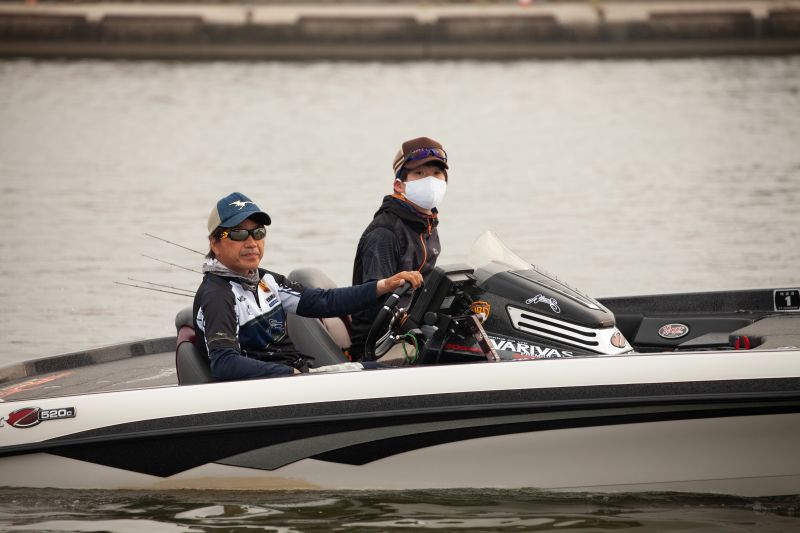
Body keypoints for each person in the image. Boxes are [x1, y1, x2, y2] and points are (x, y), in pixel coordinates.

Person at [194, 192, 422, 381]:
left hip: (298, 377)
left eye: (258, 232)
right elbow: (224, 363)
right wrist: (290, 374)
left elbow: (324, 301)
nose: (252, 242)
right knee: (381, 376)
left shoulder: (266, 281)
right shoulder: (217, 295)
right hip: (275, 388)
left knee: (383, 371)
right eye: (239, 234)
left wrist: (383, 286)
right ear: (215, 243)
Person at [350, 136, 448, 359]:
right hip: (377, 345)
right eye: (419, 173)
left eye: (437, 173)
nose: (430, 180)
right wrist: (414, 328)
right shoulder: (384, 233)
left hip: (415, 330)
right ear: (399, 185)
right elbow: (374, 303)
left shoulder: (427, 225)